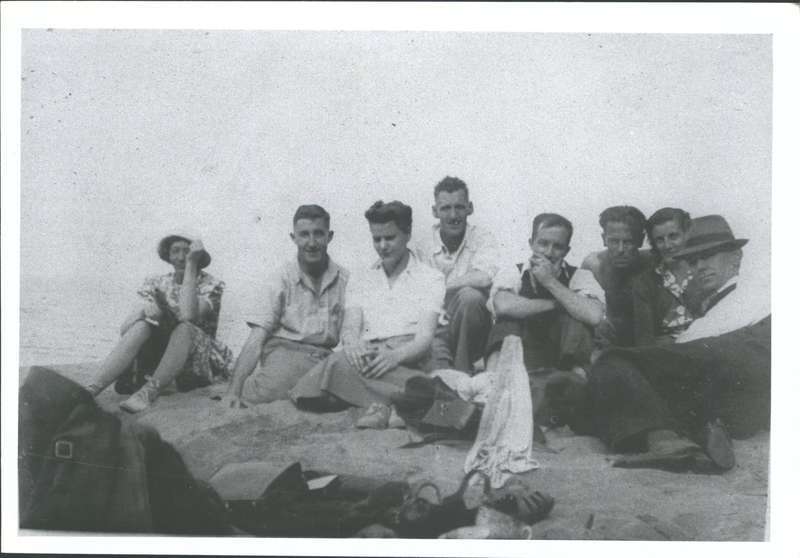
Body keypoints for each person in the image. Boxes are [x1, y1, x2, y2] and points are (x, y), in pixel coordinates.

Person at [557, 215, 770, 473]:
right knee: (630, 388)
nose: (700, 266)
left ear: (736, 257)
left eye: (710, 256)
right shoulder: (709, 298)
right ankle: (702, 430)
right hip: (740, 399)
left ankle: (664, 441)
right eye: (694, 260)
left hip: (748, 357)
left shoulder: (750, 290)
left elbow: (697, 340)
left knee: (613, 362)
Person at [290, 200, 445, 429]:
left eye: (390, 238)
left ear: (408, 234)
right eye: (376, 239)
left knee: (331, 379)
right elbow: (351, 326)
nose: (382, 246)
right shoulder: (362, 277)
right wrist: (353, 344)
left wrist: (394, 357)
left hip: (408, 356)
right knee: (319, 379)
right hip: (369, 356)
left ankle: (383, 402)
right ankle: (402, 402)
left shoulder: (430, 278)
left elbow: (424, 339)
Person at [86, 233, 233, 413]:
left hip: (196, 358)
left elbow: (188, 315)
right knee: (142, 324)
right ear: (168, 256)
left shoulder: (212, 284)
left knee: (185, 328)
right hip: (161, 356)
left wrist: (191, 265)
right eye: (175, 251)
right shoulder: (156, 282)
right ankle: (91, 390)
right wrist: (143, 311)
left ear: (196, 255)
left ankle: (148, 392)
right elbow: (125, 330)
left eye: (187, 252)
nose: (180, 257)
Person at [220, 205, 349, 407]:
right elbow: (257, 337)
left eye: (319, 234)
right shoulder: (280, 278)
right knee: (275, 387)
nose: (312, 243)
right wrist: (233, 392)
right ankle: (243, 387)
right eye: (304, 235)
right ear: (293, 238)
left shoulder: (344, 279)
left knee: (347, 388)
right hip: (286, 352)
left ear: (329, 236)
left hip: (324, 357)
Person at [486, 213, 605, 375]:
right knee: (507, 321)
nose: (549, 253)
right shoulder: (514, 271)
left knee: (578, 322)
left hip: (563, 355)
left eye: (558, 246)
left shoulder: (580, 275)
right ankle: (493, 379)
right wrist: (556, 304)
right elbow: (503, 306)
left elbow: (594, 316)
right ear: (531, 243)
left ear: (567, 250)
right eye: (543, 244)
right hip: (523, 353)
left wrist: (549, 281)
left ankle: (576, 382)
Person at [414, 176, 500, 373]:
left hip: (473, 328)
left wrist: (440, 286)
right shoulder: (423, 245)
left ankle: (463, 369)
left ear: (470, 208)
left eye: (459, 207)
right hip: (434, 325)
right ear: (435, 211)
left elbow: (484, 277)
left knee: (470, 296)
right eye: (445, 208)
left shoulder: (482, 238)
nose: (453, 215)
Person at [581, 205, 651, 347]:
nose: (620, 249)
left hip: (647, 339)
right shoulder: (594, 264)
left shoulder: (652, 262)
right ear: (604, 239)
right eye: (614, 241)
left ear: (640, 240)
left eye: (628, 242)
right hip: (608, 342)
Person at [631, 208, 697, 346]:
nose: (667, 245)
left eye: (673, 236)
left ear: (687, 234)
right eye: (660, 240)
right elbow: (645, 341)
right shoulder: (644, 283)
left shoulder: (703, 271)